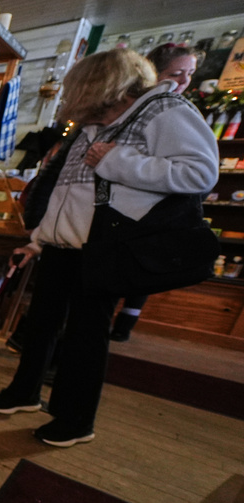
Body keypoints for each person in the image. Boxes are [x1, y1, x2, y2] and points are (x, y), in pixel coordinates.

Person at [0, 49, 219, 447]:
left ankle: (75, 419)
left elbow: (200, 173)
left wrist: (119, 161)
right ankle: (24, 392)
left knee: (85, 335)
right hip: (63, 245)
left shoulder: (164, 109)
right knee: (40, 324)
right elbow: (68, 192)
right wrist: (38, 241)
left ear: (104, 88)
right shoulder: (93, 125)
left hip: (104, 248)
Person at [110, 43, 205, 342]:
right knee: (113, 275)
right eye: (176, 73)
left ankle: (124, 324)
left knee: (141, 271)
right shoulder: (137, 111)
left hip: (158, 209)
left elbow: (197, 173)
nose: (184, 81)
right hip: (126, 208)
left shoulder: (180, 112)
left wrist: (117, 161)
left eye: (189, 73)